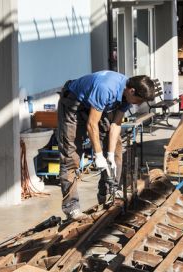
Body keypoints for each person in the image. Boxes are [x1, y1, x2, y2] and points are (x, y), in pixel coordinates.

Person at [58, 71, 156, 219]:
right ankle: (72, 208)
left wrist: (109, 155)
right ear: (132, 90)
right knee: (71, 157)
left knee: (116, 148)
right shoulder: (106, 88)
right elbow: (92, 124)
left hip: (95, 107)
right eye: (138, 101)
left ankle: (108, 194)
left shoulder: (127, 94)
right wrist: (98, 155)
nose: (137, 104)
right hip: (73, 104)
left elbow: (116, 124)